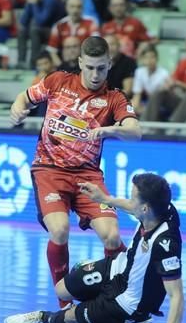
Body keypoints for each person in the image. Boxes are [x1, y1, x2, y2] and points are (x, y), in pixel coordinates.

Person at [9, 36, 141, 308]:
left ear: (109, 64)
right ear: (80, 62)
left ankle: (122, 294)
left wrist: (111, 129)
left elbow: (135, 132)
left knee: (113, 236)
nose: (95, 75)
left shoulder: (113, 98)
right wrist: (18, 110)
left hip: (87, 176)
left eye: (101, 68)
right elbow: (25, 97)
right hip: (49, 170)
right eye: (90, 67)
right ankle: (64, 301)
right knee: (59, 231)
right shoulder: (58, 81)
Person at [4, 173, 186, 323]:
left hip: (125, 303)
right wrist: (105, 199)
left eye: (132, 199)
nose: (129, 202)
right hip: (118, 268)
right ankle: (92, 297)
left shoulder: (165, 244)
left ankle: (44, 319)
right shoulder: (162, 208)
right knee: (61, 290)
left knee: (72, 318)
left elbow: (177, 296)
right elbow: (134, 208)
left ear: (145, 208)